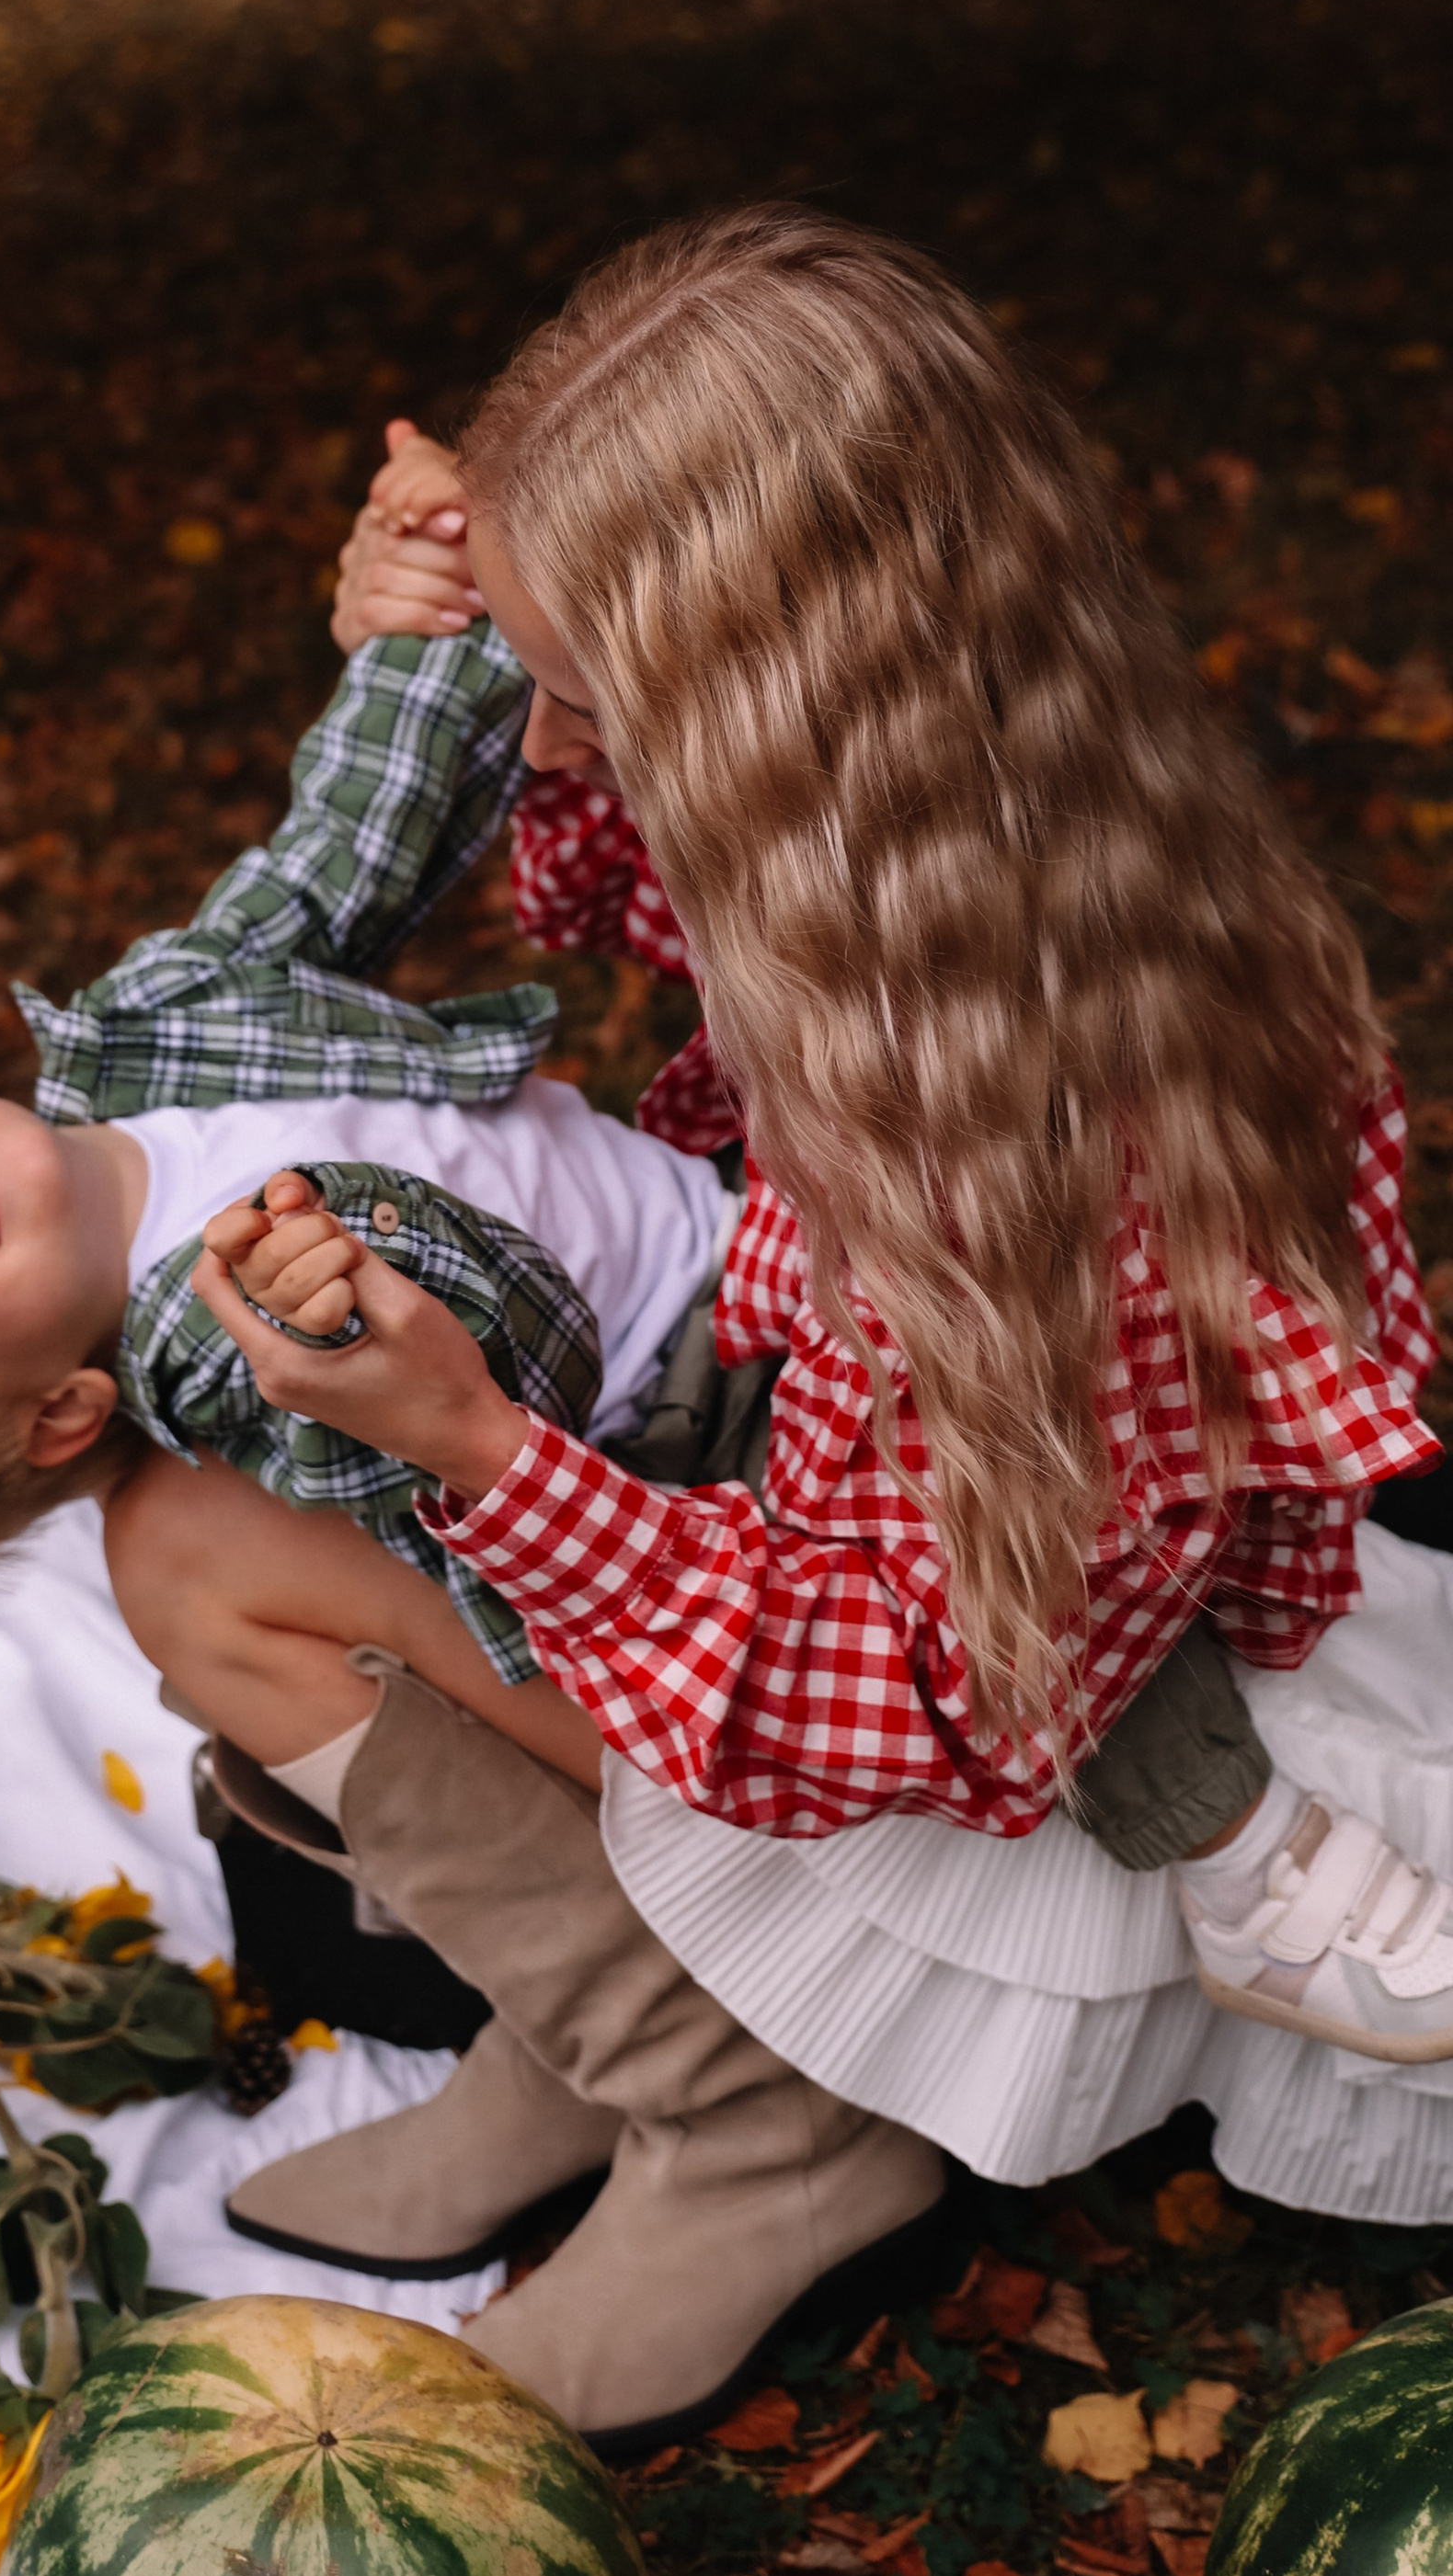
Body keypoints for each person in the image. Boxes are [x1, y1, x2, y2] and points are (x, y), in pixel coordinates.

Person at [85, 205, 1453, 2450]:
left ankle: (756, 2124)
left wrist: (475, 1449)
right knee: (199, 1519)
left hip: (963, 1743)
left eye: (585, 697)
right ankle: (590, 2032)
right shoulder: (961, 857)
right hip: (898, 1555)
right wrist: (464, 650)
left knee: (222, 1548)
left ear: (756, 722)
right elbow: (637, 877)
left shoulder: (1003, 1155)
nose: (556, 742)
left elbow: (905, 1698)